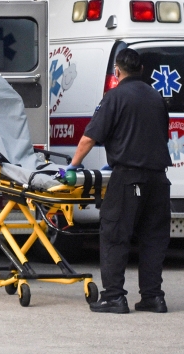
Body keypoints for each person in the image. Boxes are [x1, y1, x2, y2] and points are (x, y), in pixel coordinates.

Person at [68, 48, 172, 314]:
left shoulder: (114, 97)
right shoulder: (157, 97)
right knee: (153, 239)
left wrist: (72, 167)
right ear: (142, 71)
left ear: (117, 71)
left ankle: (114, 297)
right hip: (159, 180)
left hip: (129, 178)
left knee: (115, 235)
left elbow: (89, 138)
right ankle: (153, 297)